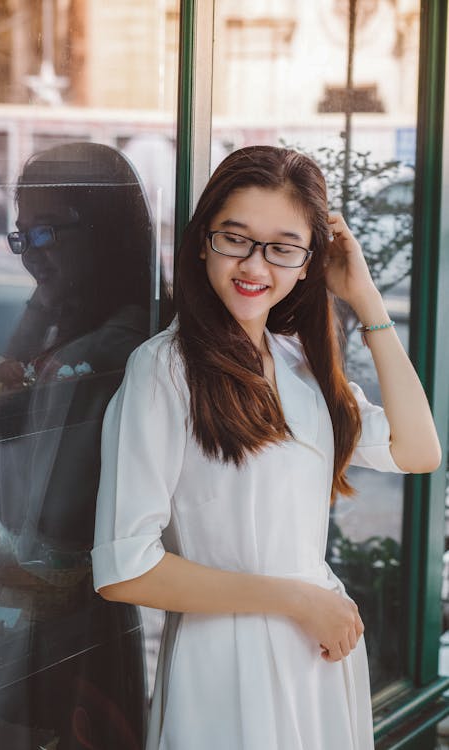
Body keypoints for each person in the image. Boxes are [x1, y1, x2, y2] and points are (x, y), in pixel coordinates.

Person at [91, 146, 441, 750]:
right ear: (203, 241)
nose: (255, 265)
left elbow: (418, 450)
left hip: (317, 659)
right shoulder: (164, 371)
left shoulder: (297, 362)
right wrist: (297, 600)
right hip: (228, 666)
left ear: (309, 263)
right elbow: (127, 570)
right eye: (236, 238)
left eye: (283, 247)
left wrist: (367, 301)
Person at [0, 142, 156, 750]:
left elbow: (67, 540)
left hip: (61, 619)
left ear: (104, 232)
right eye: (21, 239)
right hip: (50, 610)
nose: (31, 257)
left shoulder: (101, 351)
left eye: (46, 234)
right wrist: (51, 278)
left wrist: (4, 569)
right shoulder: (95, 323)